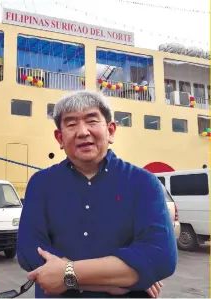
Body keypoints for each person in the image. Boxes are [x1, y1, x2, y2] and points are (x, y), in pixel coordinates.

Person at [16, 90, 177, 298]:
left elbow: (160, 258)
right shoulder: (40, 184)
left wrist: (66, 275)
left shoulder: (144, 183)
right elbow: (29, 252)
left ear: (110, 131)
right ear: (60, 137)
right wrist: (125, 279)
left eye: (92, 121)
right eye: (72, 124)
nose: (83, 132)